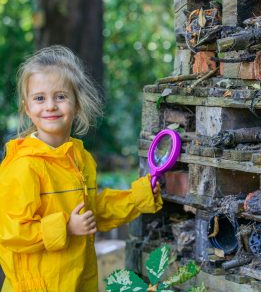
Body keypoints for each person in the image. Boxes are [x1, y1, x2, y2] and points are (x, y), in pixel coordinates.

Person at [0, 45, 163, 292]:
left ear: (76, 103)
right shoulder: (24, 166)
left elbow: (92, 213)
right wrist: (65, 227)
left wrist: (140, 196)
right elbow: (10, 231)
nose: (51, 105)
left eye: (61, 96)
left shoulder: (81, 158)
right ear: (27, 107)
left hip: (79, 282)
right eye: (40, 98)